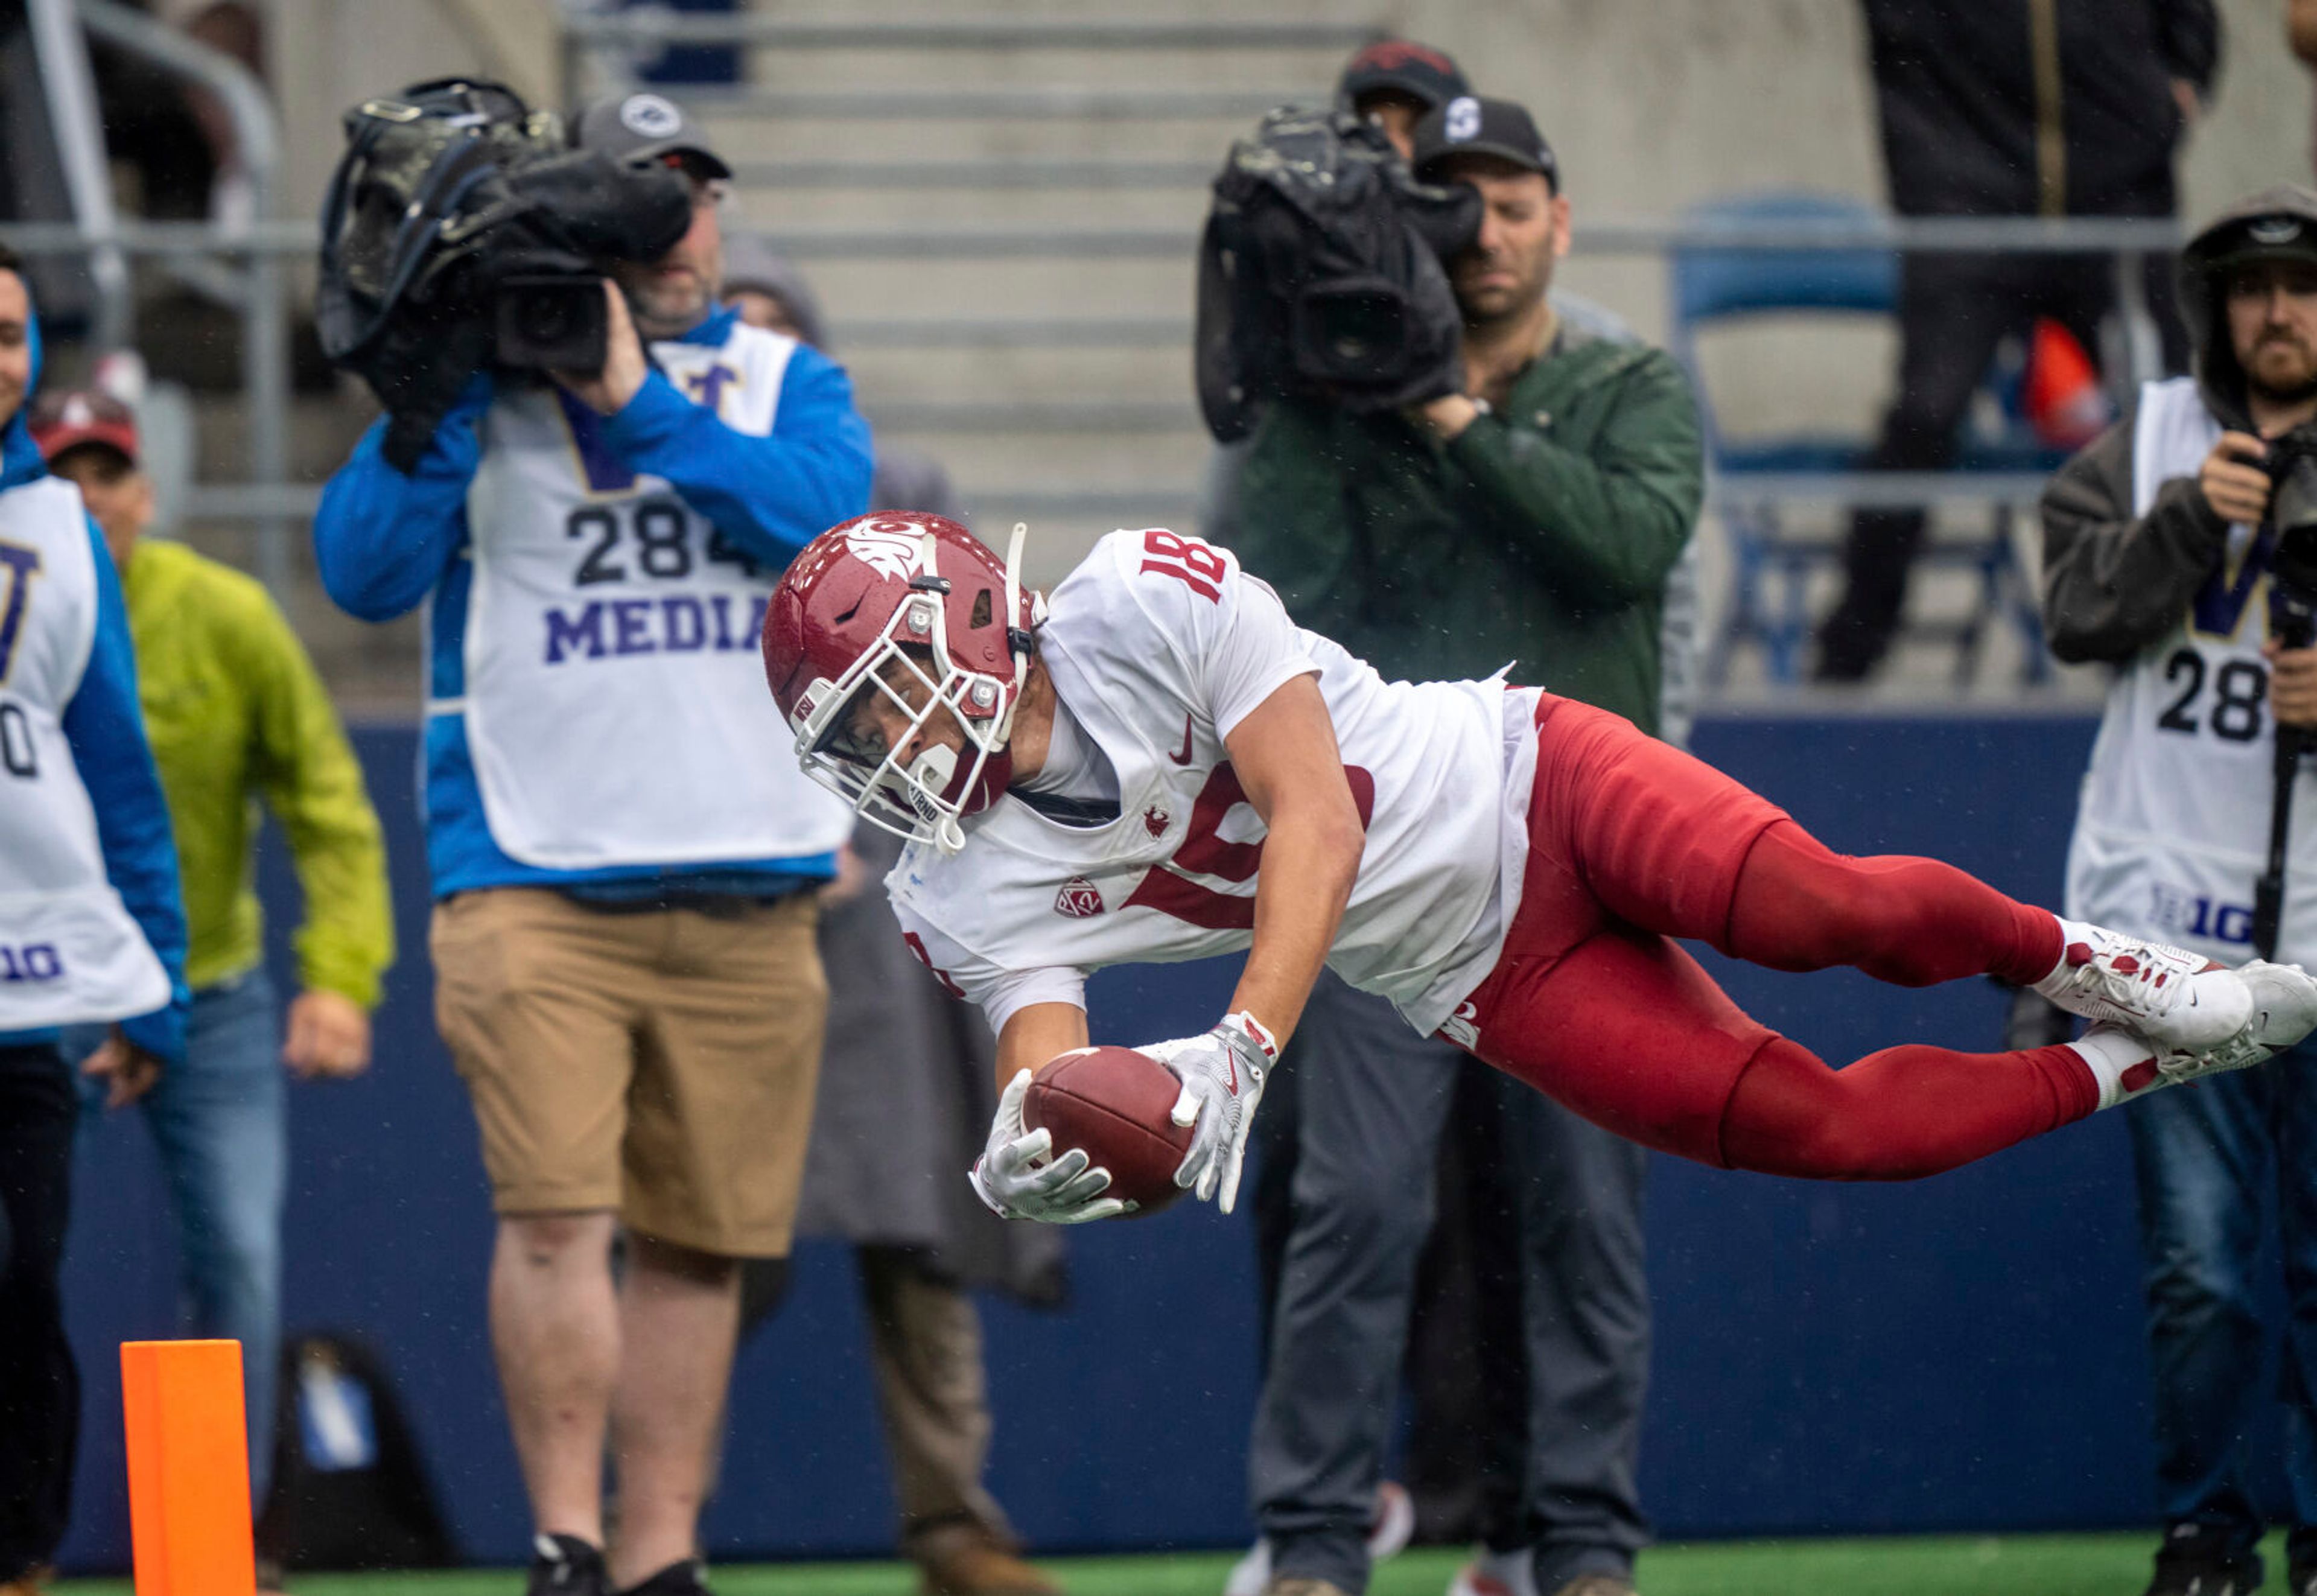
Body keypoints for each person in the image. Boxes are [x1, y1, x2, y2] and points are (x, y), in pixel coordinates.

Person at [760, 498, 2317, 1411]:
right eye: (859, 739)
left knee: (1828, 910)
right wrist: (1031, 1142)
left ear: (972, 611)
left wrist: (1235, 1045)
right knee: (1827, 1131)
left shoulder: (1136, 592)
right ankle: (2136, 1053)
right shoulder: (953, 884)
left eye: (890, 694)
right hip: (1478, 974)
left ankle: (2095, 956)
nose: (893, 749)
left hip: (1533, 778)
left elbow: (1314, 820)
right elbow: (1048, 1053)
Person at [313, 91, 871, 1596]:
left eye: (689, 194)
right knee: (555, 1211)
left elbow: (828, 532)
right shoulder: (479, 389)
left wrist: (639, 402)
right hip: (529, 866)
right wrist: (428, 398)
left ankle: (658, 1550)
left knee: (701, 1239)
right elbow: (361, 572)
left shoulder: (782, 375)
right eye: (633, 200)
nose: (671, 227)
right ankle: (566, 1538)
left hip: (753, 873)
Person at [1225, 92, 1697, 1596]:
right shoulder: (1338, 399)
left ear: (1559, 220)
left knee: (1579, 1224)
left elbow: (1623, 542)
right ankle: (1310, 1540)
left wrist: (1447, 414)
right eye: (1452, 204)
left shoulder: (1633, 384)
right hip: (1395, 873)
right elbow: (1270, 601)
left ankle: (1579, 1544)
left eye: (1509, 203)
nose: (1483, 233)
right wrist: (1334, 376)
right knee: (1355, 1203)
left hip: (1587, 874)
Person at [721, 246, 1069, 1596]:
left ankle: (953, 1527)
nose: (751, 359)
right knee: (705, 1244)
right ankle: (645, 1526)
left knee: (917, 1226)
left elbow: (979, 684)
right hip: (715, 916)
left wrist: (879, 842)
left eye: (778, 338)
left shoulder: (903, 492)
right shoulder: (659, 498)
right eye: (729, 336)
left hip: (879, 920)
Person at [36, 385, 393, 1560]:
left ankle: (216, 1539)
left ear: (145, 493)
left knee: (237, 1249)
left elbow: (329, 803)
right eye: (63, 473)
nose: (88, 496)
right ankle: (14, 1534)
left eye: (109, 472)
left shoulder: (225, 613)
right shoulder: (15, 601)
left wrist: (339, 973)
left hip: (214, 989)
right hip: (38, 992)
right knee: (13, 1252)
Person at [2042, 185, 2317, 1596]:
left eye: (2303, 282)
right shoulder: (2151, 438)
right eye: (2251, 284)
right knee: (2200, 1268)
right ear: (2213, 304)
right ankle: (2205, 1528)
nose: (2278, 309)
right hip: (2176, 940)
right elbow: (2070, 613)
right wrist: (2175, 529)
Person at [1813, 0, 2220, 682]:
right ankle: (1845, 663)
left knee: (2169, 422)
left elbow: (2192, 22)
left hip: (2118, 201)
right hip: (1971, 204)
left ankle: (2181, 658)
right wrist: (1932, 169)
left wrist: (2180, 92)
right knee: (1924, 415)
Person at [0, 247, 188, 1596]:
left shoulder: (63, 526)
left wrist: (154, 975)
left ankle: (19, 1553)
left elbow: (114, 759)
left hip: (28, 974)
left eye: (9, 335)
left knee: (22, 1280)